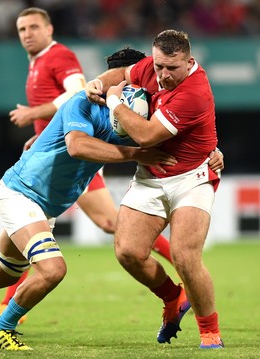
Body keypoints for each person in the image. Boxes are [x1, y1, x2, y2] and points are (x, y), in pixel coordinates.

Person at [0, 47, 181, 351]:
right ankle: (3, 329)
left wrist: (211, 151)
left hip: (45, 206)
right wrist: (136, 153)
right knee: (53, 268)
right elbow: (77, 146)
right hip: (20, 193)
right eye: (138, 76)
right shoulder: (83, 101)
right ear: (120, 77)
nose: (147, 83)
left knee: (1, 274)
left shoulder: (133, 114)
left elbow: (178, 133)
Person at [0, 7, 183, 328]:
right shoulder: (37, 62)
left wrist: (34, 116)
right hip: (59, 151)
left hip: (79, 152)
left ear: (49, 29)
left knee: (107, 224)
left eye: (33, 27)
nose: (26, 34)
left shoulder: (59, 57)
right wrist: (41, 137)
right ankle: (8, 306)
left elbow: (77, 91)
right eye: (21, 29)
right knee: (38, 229)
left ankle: (179, 272)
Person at [86, 30, 224, 349]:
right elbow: (121, 73)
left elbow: (148, 136)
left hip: (193, 177)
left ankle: (210, 333)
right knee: (128, 253)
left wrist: (113, 102)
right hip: (150, 175)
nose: (163, 75)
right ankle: (174, 297)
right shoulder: (151, 67)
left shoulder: (194, 92)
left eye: (171, 68)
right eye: (159, 66)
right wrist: (97, 82)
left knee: (185, 256)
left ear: (189, 62)